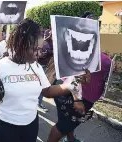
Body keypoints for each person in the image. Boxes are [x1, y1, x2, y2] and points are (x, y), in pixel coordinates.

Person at [0, 18, 91, 142]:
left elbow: (47, 91)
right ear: (20, 45)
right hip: (5, 125)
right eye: (35, 49)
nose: (39, 54)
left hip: (31, 124)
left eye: (40, 49)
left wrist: (73, 82)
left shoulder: (36, 66)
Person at [47, 12, 112, 142]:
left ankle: (71, 139)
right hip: (77, 96)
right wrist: (77, 99)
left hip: (73, 93)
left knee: (66, 123)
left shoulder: (91, 49)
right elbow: (74, 72)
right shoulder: (83, 50)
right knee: (61, 127)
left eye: (95, 23)